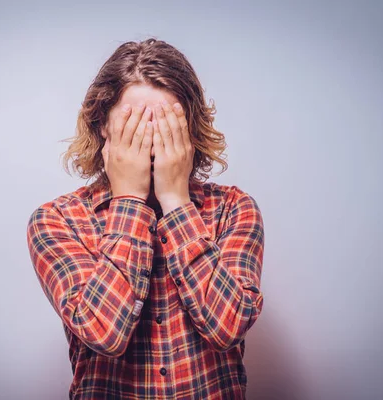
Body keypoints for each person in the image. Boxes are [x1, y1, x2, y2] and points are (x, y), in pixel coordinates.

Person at [26, 38, 265, 400]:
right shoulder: (57, 221)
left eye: (169, 123)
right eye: (134, 123)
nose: (152, 138)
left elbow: (228, 326)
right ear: (102, 125)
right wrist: (130, 199)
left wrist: (175, 200)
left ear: (191, 129)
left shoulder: (234, 208)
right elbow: (103, 330)